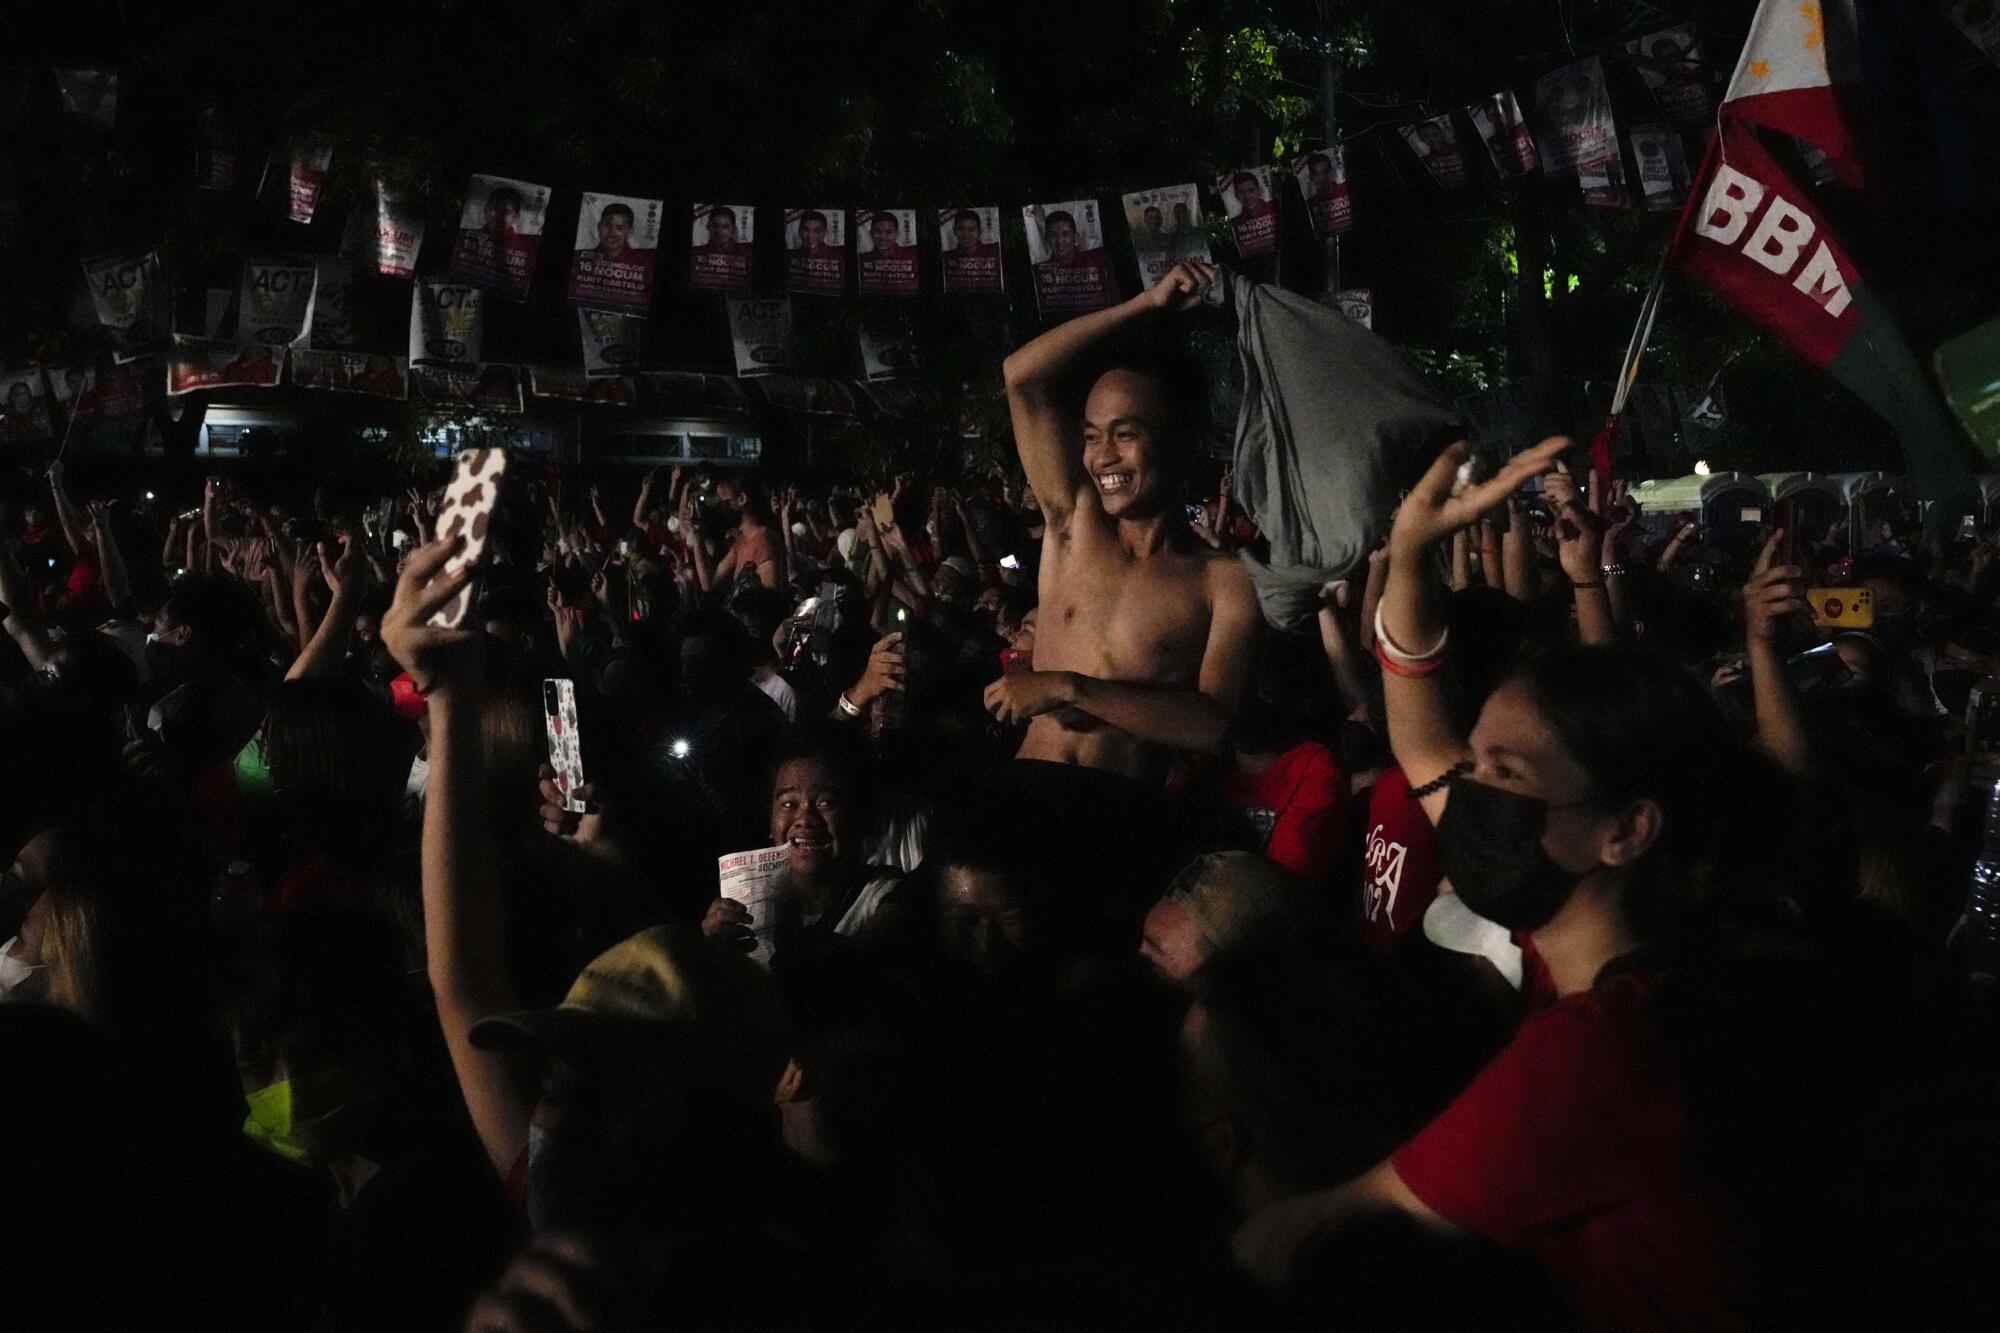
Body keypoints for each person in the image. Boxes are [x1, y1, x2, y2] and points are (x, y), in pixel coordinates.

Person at [1234, 437, 1761, 1331]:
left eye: (1504, 774)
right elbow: (1422, 737)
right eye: (1475, 760)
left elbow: (1309, 1234)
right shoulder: (1585, 951)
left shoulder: (1604, 1048)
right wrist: (1407, 559)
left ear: (1625, 829)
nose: (1465, 790)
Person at [987, 257, 1258, 785]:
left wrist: (1072, 687)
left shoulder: (1224, 582)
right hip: (1030, 785)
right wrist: (1144, 305)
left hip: (1124, 815)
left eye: (1125, 433)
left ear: (1178, 444)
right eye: (1091, 436)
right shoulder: (1073, 525)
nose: (1102, 456)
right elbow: (1021, 378)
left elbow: (1214, 726)